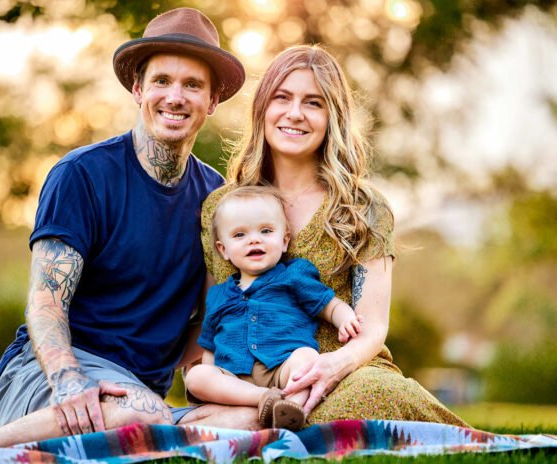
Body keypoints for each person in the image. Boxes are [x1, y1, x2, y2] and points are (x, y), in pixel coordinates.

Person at [0, 7, 246, 462]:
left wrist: (204, 381)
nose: (175, 97)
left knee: (247, 419)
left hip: (136, 396)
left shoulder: (217, 199)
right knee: (144, 417)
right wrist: (69, 380)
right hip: (47, 375)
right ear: (138, 89)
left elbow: (205, 321)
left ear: (212, 100)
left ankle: (150, 431)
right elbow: (45, 303)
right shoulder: (82, 174)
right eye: (162, 81)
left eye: (192, 85)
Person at [186, 45, 470, 428]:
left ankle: (254, 421)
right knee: (204, 384)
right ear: (263, 108)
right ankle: (261, 411)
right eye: (282, 97)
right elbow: (214, 308)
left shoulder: (363, 207)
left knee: (379, 394)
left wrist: (330, 367)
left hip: (344, 371)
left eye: (313, 103)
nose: (295, 113)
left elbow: (372, 328)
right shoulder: (223, 207)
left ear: (332, 117)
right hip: (244, 377)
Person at [184, 186, 363, 431]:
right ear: (223, 249)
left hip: (282, 367)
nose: (254, 239)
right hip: (235, 377)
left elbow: (328, 304)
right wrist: (212, 377)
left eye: (266, 231)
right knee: (197, 376)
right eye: (239, 235)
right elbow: (210, 345)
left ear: (284, 240)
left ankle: (291, 409)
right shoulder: (218, 295)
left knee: (307, 358)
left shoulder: (293, 276)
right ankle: (264, 399)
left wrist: (345, 318)